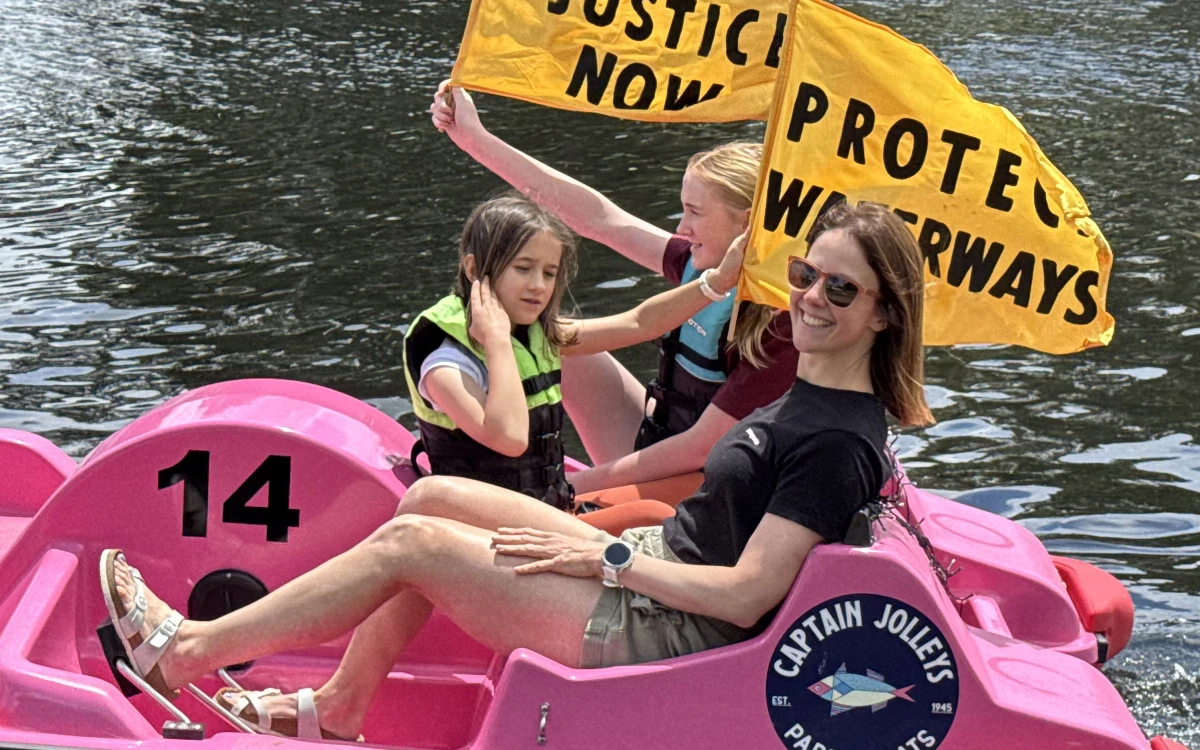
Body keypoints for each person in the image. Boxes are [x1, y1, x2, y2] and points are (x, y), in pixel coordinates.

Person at [99, 201, 934, 740]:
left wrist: (602, 555)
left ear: (884, 312)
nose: (811, 296)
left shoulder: (834, 439)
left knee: (413, 546)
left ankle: (185, 653)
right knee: (432, 494)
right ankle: (344, 707)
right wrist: (621, 542)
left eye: (840, 288)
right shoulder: (811, 394)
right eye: (803, 273)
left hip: (668, 623)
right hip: (658, 569)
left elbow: (749, 595)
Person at [430, 83, 798, 495]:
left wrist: (567, 485)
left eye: (694, 212)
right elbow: (597, 218)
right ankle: (492, 448)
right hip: (660, 440)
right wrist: (475, 140)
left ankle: (532, 488)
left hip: (710, 486)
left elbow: (699, 449)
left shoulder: (781, 324)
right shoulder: (699, 264)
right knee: (554, 341)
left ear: (746, 225)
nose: (681, 228)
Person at [404, 193, 746, 511]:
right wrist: (497, 343)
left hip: (542, 508)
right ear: (475, 270)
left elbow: (639, 323)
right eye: (523, 269)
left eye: (549, 273)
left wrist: (716, 283)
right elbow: (509, 439)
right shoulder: (446, 364)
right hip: (487, 521)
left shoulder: (536, 334)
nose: (538, 285)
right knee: (653, 514)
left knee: (693, 489)